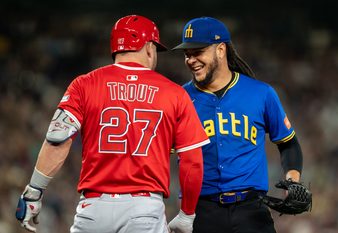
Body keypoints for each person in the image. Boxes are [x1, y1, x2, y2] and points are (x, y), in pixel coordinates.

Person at [15, 15, 210, 233]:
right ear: (148, 47)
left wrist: (34, 190)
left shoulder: (84, 84)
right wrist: (187, 213)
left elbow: (56, 141)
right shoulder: (174, 93)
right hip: (144, 208)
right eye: (155, 48)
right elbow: (192, 162)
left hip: (93, 210)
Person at [172, 16, 304, 233]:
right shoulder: (179, 98)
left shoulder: (260, 93)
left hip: (252, 211)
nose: (191, 59)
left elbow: (288, 143)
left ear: (221, 50)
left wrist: (293, 182)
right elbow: (157, 152)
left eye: (197, 52)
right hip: (201, 211)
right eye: (187, 54)